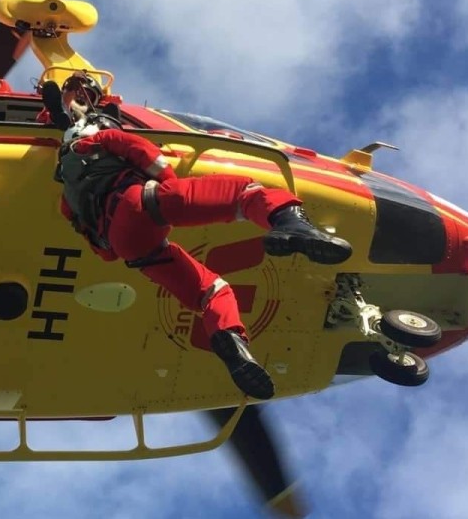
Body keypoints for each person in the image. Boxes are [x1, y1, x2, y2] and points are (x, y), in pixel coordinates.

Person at [48, 87, 353, 401]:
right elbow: (143, 152)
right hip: (141, 203)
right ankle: (289, 223)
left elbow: (104, 253)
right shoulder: (104, 139)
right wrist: (168, 188)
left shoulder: (67, 198)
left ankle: (231, 341)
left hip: (131, 249)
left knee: (211, 291)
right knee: (243, 194)